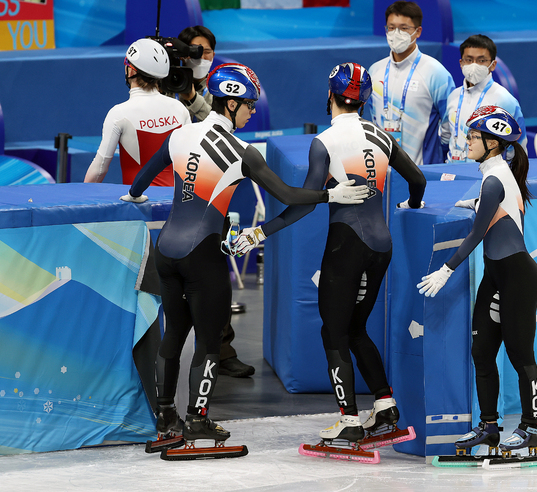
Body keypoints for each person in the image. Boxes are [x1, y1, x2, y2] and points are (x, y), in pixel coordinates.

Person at [121, 63, 369, 445]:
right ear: (232, 103)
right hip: (202, 254)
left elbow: (138, 184)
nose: (254, 111)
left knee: (173, 336)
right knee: (207, 342)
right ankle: (196, 420)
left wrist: (135, 198)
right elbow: (288, 195)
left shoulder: (178, 134)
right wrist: (330, 195)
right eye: (250, 105)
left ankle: (165, 419)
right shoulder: (241, 151)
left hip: (166, 250)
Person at [232, 63, 426, 447]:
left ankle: (349, 419)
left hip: (347, 247)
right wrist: (411, 205)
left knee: (333, 332)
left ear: (330, 96)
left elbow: (303, 203)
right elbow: (418, 180)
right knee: (355, 329)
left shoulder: (325, 141)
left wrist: (260, 232)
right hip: (381, 246)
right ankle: (385, 406)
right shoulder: (382, 136)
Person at [417, 106, 537, 455]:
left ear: (492, 143)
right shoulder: (497, 174)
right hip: (496, 275)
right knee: (482, 352)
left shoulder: (494, 179)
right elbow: (487, 207)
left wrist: (446, 269)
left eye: (473, 137)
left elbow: (476, 234)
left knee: (521, 356)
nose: (467, 141)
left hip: (517, 278)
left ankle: (531, 428)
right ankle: (489, 427)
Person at [175, 25, 256, 379]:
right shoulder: (166, 86)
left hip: (211, 197)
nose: (200, 57)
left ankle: (221, 350)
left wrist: (192, 94)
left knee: (214, 275)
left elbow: (217, 123)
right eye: (193, 51)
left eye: (206, 51)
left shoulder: (217, 93)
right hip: (176, 190)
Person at [84, 38, 191, 185]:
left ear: (131, 71)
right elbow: (190, 162)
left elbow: (100, 169)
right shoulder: (179, 108)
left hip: (138, 205)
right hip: (175, 203)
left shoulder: (119, 113)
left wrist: (82, 197)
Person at [366, 1, 455, 166]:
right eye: (391, 28)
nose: (396, 33)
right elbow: (373, 121)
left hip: (422, 172)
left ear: (418, 31)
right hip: (380, 172)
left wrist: (436, 159)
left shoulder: (436, 73)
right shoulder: (374, 71)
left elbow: (450, 125)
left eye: (404, 28)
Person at [440, 34, 526, 163]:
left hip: (485, 176)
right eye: (469, 60)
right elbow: (446, 137)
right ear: (461, 63)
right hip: (452, 172)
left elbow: (517, 148)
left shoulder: (503, 100)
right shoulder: (454, 96)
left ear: (492, 64)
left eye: (481, 60)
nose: (474, 65)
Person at [175, 25, 216, 121]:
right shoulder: (168, 84)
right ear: (182, 55)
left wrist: (193, 99)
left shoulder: (219, 89)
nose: (201, 57)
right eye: (195, 52)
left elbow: (224, 126)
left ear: (213, 55)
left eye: (207, 52)